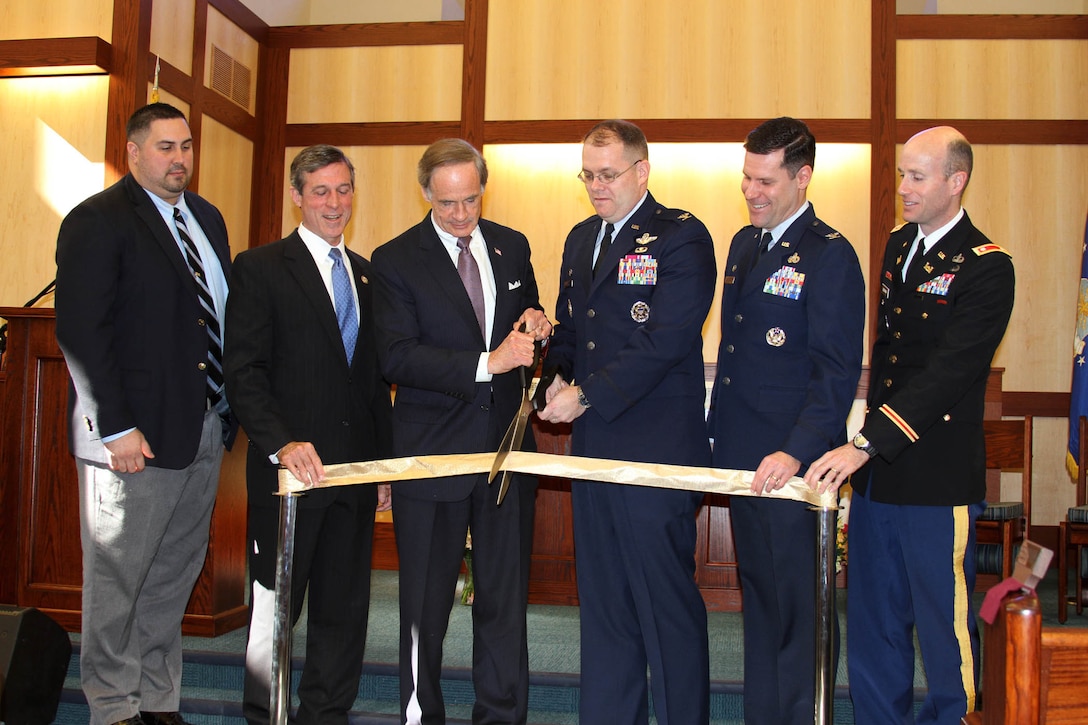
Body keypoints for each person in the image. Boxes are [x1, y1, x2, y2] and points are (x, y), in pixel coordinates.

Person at [804, 126, 1015, 724]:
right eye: (901, 174)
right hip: (879, 480)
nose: (903, 188)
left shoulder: (987, 267)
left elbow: (947, 375)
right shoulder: (899, 246)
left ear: (956, 181)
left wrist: (864, 443)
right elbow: (890, 356)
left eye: (917, 177)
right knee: (875, 620)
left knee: (942, 628)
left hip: (934, 479)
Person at [55, 102, 235, 725]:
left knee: (172, 579)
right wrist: (115, 426)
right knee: (118, 581)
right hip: (131, 437)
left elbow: (211, 317)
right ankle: (112, 704)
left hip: (202, 427)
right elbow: (82, 331)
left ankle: (158, 700)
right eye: (165, 147)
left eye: (186, 146)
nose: (179, 159)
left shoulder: (207, 218)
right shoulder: (98, 220)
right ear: (133, 152)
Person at [537, 119, 716, 725]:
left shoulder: (681, 237)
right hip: (594, 447)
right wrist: (555, 373)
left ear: (642, 171)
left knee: (665, 606)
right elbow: (571, 326)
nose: (595, 186)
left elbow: (665, 339)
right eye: (587, 174)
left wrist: (586, 395)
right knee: (606, 605)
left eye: (607, 174)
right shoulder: (581, 236)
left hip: (656, 448)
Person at [370, 138, 550, 725]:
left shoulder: (512, 245)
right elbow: (396, 356)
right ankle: (422, 717)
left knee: (503, 600)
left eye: (471, 200)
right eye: (448, 204)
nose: (462, 215)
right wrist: (485, 364)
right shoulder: (395, 259)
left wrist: (536, 325)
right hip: (433, 455)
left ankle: (501, 715)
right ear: (426, 194)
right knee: (425, 606)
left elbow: (526, 325)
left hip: (505, 454)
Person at [223, 144, 394, 724]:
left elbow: (373, 385)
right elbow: (243, 372)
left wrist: (382, 467)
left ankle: (327, 714)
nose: (335, 202)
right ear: (297, 196)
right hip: (288, 476)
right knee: (275, 609)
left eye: (344, 189)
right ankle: (263, 715)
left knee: (344, 611)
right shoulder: (260, 267)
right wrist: (281, 442)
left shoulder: (367, 274)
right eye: (320, 191)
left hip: (352, 475)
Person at [705, 117, 865, 723]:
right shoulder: (745, 245)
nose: (752, 191)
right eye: (747, 178)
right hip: (745, 459)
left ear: (803, 177)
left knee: (799, 608)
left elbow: (835, 371)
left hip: (794, 467)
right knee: (762, 602)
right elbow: (735, 356)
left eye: (766, 181)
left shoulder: (830, 254)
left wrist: (795, 451)